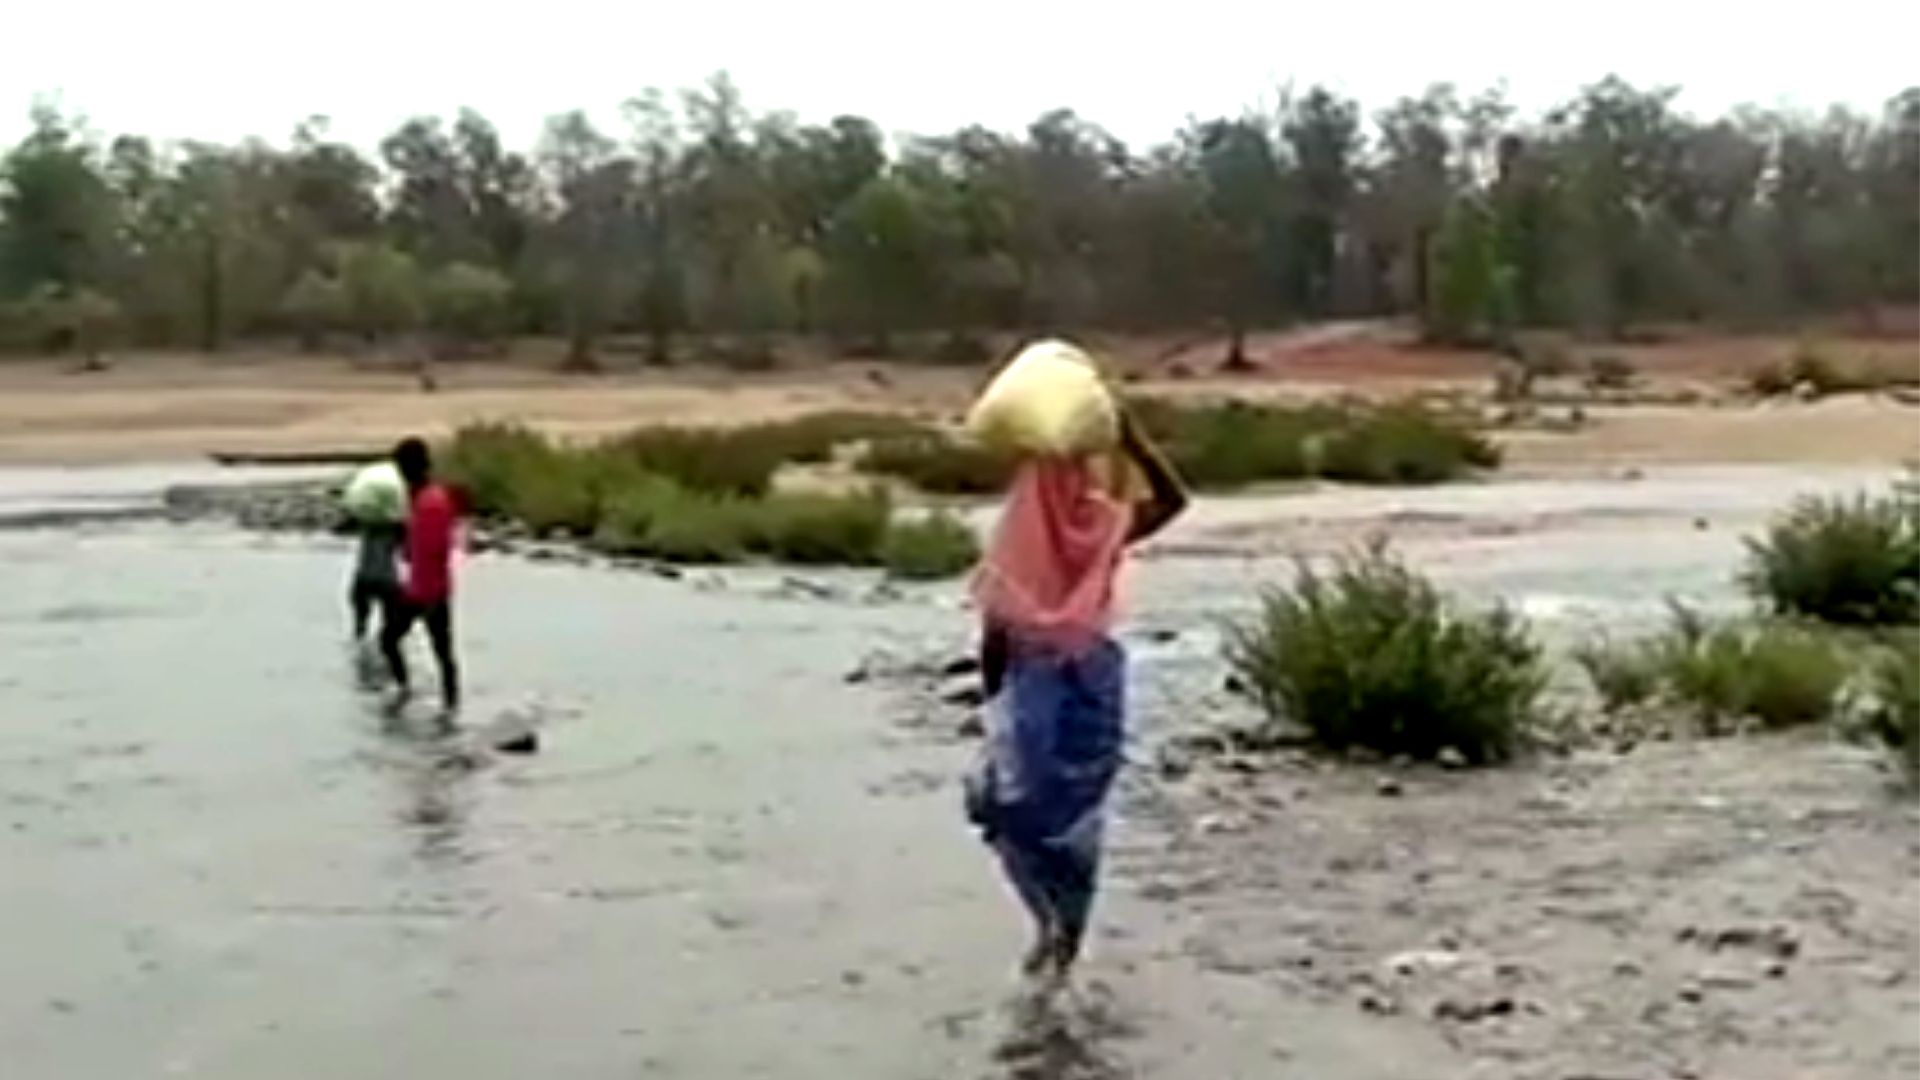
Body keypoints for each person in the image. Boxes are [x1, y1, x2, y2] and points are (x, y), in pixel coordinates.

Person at [965, 412, 1187, 986]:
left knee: (1018, 806)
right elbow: (1172, 501)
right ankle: (1060, 932)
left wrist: (992, 702)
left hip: (1041, 678)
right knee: (1068, 811)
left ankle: (1053, 932)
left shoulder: (1028, 532)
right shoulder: (1102, 523)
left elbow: (995, 627)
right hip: (1090, 677)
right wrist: (1137, 443)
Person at [380, 437, 461, 714]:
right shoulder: (423, 498)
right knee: (391, 640)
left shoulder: (432, 502)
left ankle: (448, 706)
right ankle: (409, 692)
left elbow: (439, 547)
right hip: (418, 587)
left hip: (432, 591)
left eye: (401, 469)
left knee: (441, 654)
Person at [348, 517, 405, 644]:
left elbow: (342, 527)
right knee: (391, 625)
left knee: (360, 625)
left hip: (365, 576)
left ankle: (361, 645)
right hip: (387, 579)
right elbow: (407, 554)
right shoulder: (398, 528)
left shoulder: (367, 522)